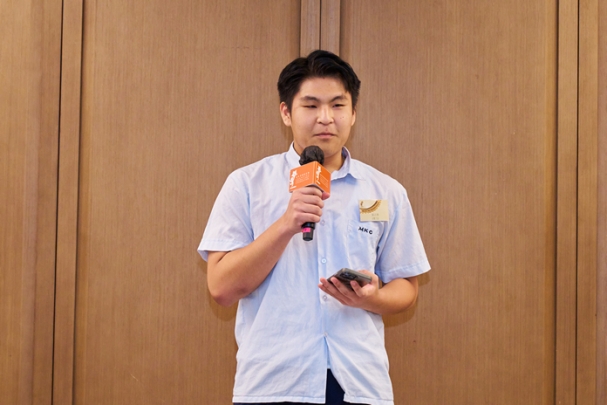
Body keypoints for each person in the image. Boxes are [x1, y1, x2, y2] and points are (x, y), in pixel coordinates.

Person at [198, 50, 430, 405]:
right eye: (310, 105)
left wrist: (373, 298)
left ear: (353, 113)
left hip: (359, 384)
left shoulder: (385, 191)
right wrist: (285, 225)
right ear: (286, 112)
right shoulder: (247, 184)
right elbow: (221, 289)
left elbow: (406, 287)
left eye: (338, 105)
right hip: (274, 383)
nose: (326, 118)